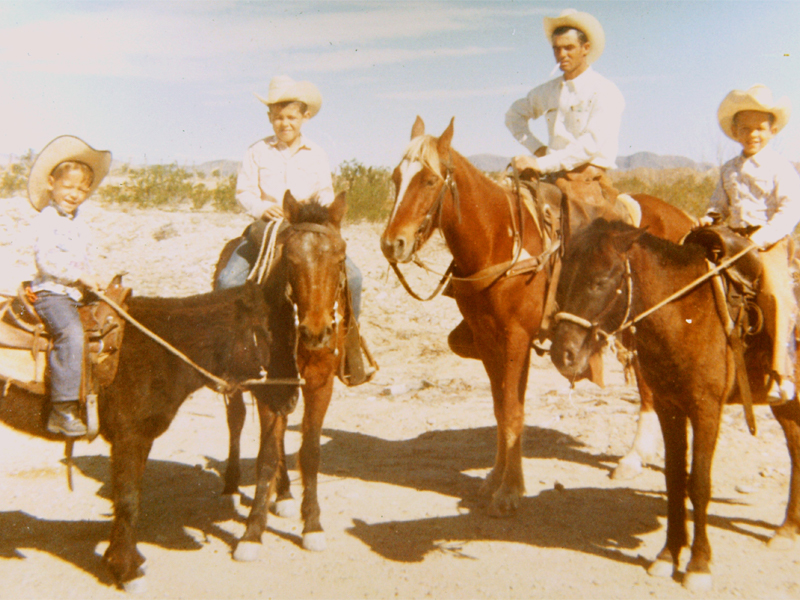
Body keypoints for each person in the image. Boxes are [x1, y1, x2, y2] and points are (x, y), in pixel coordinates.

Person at [216, 75, 362, 320]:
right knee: (227, 281)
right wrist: (262, 207)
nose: (285, 123)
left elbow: (325, 191)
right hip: (267, 230)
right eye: (278, 117)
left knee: (354, 278)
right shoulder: (257, 151)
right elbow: (244, 192)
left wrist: (319, 210)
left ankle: (351, 340)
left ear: (304, 117)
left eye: (291, 117)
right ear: (270, 118)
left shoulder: (316, 154)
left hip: (307, 229)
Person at [699, 84, 800, 404]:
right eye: (745, 128)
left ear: (771, 130)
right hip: (733, 239)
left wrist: (761, 238)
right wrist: (709, 218)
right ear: (734, 131)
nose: (752, 134)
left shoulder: (781, 168)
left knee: (773, 291)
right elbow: (720, 204)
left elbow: (790, 210)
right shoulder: (729, 168)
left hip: (769, 241)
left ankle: (780, 370)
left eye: (759, 128)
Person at [27, 135, 112, 436]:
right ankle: (61, 409)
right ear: (51, 183)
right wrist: (80, 276)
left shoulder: (80, 223)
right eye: (68, 186)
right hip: (52, 292)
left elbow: (85, 259)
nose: (75, 194)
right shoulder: (47, 219)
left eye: (82, 188)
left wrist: (95, 278)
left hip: (76, 291)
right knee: (72, 334)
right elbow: (47, 260)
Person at [505, 8, 625, 203]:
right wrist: (538, 149)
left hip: (587, 180)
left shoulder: (605, 91)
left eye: (569, 47)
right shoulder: (548, 91)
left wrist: (541, 163)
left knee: (588, 231)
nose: (561, 54)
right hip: (550, 176)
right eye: (556, 48)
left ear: (585, 48)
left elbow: (589, 146)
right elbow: (513, 116)